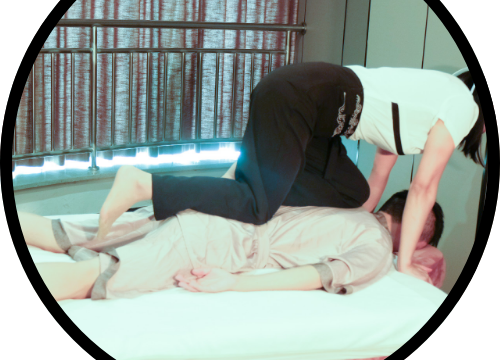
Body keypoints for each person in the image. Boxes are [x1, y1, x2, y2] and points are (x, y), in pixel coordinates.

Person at [95, 63, 483, 283]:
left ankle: (254, 184)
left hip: (318, 117)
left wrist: (357, 228)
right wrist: (405, 264)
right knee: (257, 206)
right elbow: (423, 188)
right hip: (301, 99)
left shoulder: (435, 99)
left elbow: (378, 177)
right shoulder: (462, 106)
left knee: (353, 192)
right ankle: (144, 183)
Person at [21, 191, 444, 301]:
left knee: (62, 232)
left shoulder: (345, 200)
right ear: (416, 234)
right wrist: (234, 282)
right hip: (214, 240)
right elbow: (315, 276)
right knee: (95, 277)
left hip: (204, 208)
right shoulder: (375, 246)